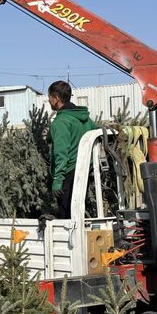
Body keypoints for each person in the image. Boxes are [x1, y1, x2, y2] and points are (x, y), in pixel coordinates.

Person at [48, 80, 97, 219]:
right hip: (84, 171)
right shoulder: (84, 118)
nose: (49, 100)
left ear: (56, 98)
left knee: (67, 216)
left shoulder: (61, 121)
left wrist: (58, 179)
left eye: (50, 97)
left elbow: (61, 153)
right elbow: (96, 130)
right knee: (78, 212)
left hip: (67, 174)